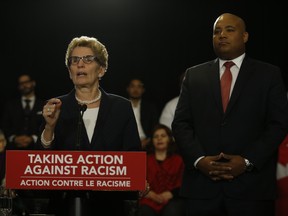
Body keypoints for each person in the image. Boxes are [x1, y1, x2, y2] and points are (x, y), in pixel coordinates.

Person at [172, 13, 288, 216]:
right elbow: (181, 124)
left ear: (245, 36)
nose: (222, 35)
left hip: (252, 190)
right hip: (202, 189)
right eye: (217, 32)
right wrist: (200, 160)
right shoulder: (193, 75)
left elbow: (278, 124)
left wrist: (246, 162)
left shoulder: (269, 74)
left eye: (229, 30)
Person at [35, 36, 142, 216]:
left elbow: (133, 153)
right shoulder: (55, 106)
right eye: (74, 60)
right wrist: (49, 128)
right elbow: (40, 162)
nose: (80, 64)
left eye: (88, 59)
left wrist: (138, 179)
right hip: (65, 203)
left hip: (109, 204)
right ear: (69, 71)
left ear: (101, 69)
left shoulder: (121, 107)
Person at [137, 124, 185, 216]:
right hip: (148, 199)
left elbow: (184, 184)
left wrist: (171, 194)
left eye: (163, 136)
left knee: (172, 211)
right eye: (156, 136)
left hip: (172, 200)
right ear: (152, 141)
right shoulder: (145, 160)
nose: (159, 139)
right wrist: (150, 194)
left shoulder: (178, 160)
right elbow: (138, 182)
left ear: (169, 139)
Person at [1, 74, 45, 150]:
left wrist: (33, 138)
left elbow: (47, 126)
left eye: (27, 82)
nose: (24, 85)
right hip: (13, 149)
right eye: (21, 83)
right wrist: (14, 138)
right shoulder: (10, 105)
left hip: (37, 150)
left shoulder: (43, 105)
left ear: (33, 83)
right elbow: (5, 125)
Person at [126, 78, 159, 149]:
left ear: (143, 90)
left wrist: (148, 140)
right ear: (128, 89)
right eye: (132, 86)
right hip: (126, 143)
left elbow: (155, 127)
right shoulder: (121, 107)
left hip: (147, 144)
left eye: (139, 86)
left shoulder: (150, 108)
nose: (135, 89)